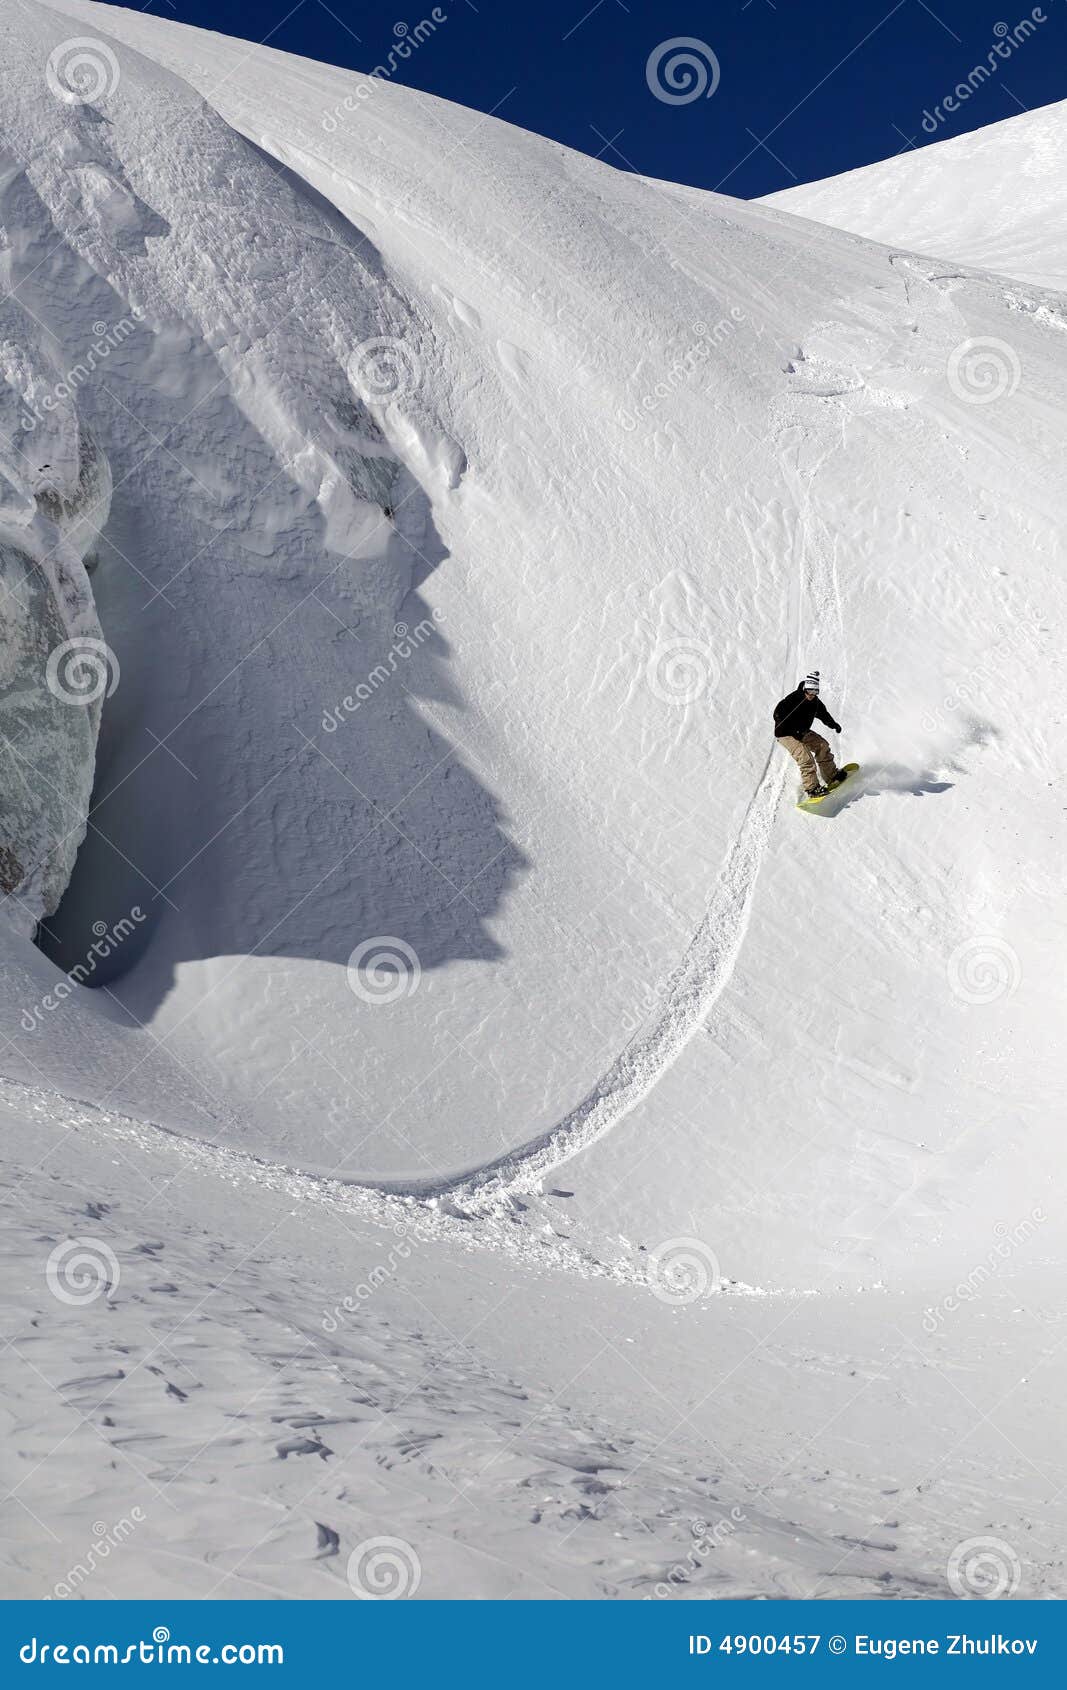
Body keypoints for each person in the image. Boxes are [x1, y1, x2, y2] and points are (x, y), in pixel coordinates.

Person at [773, 671, 846, 797]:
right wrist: (781, 720)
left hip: (802, 731)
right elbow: (777, 712)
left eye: (815, 692)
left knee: (822, 745)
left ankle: (832, 775)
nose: (811, 695)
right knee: (806, 758)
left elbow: (824, 715)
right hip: (785, 733)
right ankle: (812, 789)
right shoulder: (793, 698)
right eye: (809, 692)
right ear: (805, 689)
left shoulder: (815, 703)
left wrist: (834, 724)